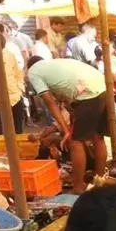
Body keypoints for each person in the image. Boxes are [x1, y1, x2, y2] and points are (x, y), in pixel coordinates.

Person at [27, 57, 108, 193]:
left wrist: (66, 130)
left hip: (87, 93)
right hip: (101, 86)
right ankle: (99, 180)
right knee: (97, 137)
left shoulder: (33, 72)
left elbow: (49, 102)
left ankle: (78, 187)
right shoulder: (52, 65)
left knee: (75, 142)